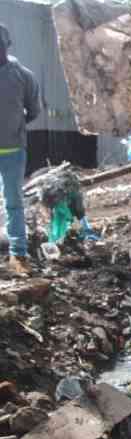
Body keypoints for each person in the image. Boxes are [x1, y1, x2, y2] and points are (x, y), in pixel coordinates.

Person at [0, 23, 40, 274]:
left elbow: (34, 110)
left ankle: (18, 255)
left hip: (13, 150)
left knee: (13, 202)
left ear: (7, 45)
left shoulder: (23, 75)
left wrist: (14, 125)